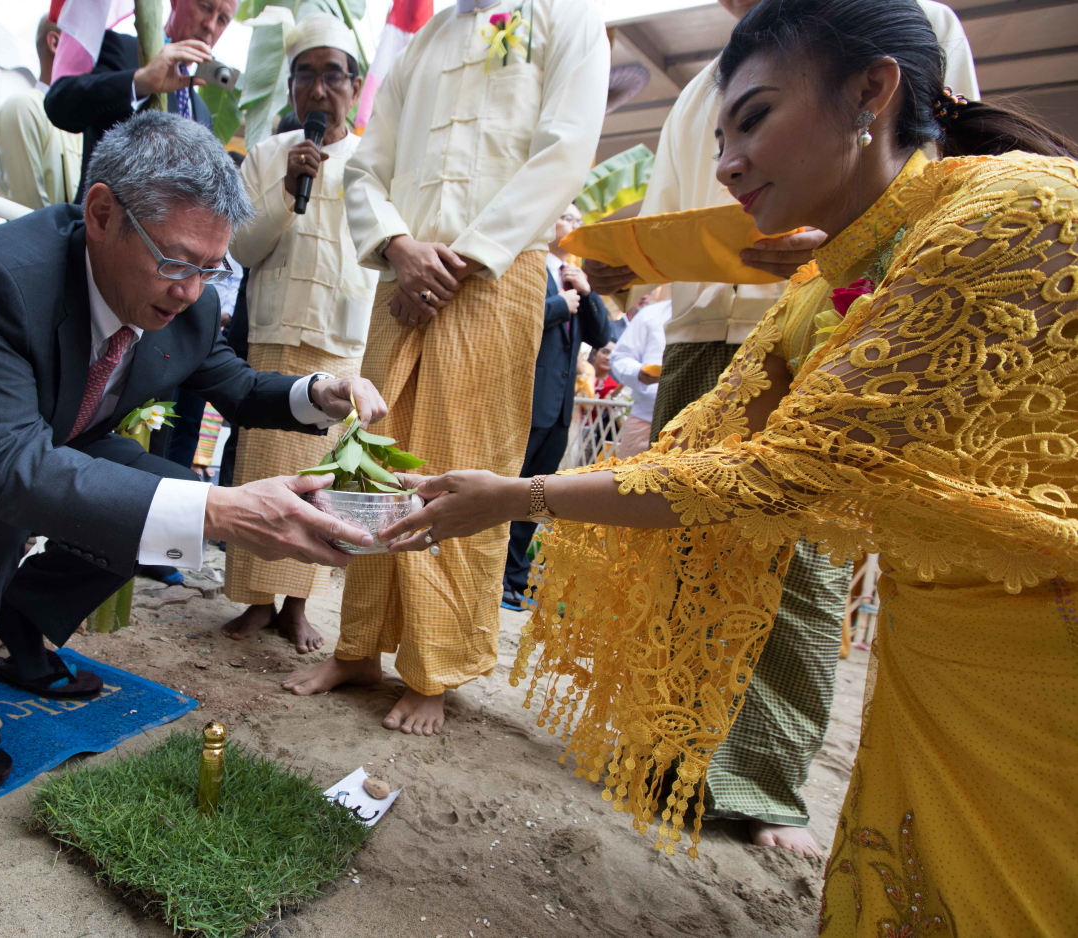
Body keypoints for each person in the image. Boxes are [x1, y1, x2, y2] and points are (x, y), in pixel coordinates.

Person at [375, 0, 1078, 930]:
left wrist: (518, 495)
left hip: (1044, 655)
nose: (725, 164)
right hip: (932, 653)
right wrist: (508, 495)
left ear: (872, 92)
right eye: (719, 134)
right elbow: (706, 449)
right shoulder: (824, 287)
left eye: (753, 119)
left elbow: (775, 477)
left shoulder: (1012, 212)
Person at [0, 112, 388, 792]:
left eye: (211, 269)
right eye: (176, 261)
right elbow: (5, 462)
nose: (189, 291)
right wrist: (217, 509)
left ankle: (22, 628)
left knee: (161, 498)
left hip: (33, 446)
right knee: (2, 490)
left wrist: (322, 391)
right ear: (100, 213)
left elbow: (234, 385)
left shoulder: (192, 303)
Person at [580, 0, 978, 857]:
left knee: (799, 559)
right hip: (701, 329)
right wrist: (622, 268)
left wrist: (829, 241)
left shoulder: (911, 23)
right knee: (686, 552)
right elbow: (663, 223)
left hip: (833, 317)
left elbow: (938, 179)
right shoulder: (706, 89)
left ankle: (762, 780)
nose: (730, 164)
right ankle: (669, 752)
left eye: (752, 128)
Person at [281, 0, 611, 736]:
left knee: (464, 467)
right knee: (372, 460)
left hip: (495, 277)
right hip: (402, 281)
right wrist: (399, 247)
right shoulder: (424, 40)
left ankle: (435, 670)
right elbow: (367, 167)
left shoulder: (566, 21)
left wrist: (462, 259)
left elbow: (563, 150)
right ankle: (358, 647)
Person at [221, 15, 376, 653]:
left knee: (322, 481)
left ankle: (298, 604)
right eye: (304, 75)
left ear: (355, 85)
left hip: (343, 346)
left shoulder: (375, 158)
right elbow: (244, 248)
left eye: (331, 74)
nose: (318, 88)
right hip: (273, 335)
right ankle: (257, 601)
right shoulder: (264, 155)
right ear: (290, 88)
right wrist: (287, 191)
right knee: (261, 468)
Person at [502, 204, 612, 610]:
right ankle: (494, 577)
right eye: (567, 214)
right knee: (507, 490)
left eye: (579, 219)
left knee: (536, 495)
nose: (574, 224)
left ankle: (514, 579)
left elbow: (603, 335)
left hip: (561, 409)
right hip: (526, 400)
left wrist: (587, 293)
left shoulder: (575, 278)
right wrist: (556, 307)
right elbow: (513, 320)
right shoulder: (528, 264)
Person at [44, 0, 234, 185]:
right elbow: (59, 104)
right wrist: (140, 82)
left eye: (222, 19)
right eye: (205, 7)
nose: (210, 25)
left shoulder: (202, 114)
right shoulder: (122, 50)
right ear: (176, 2)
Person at [0, 18, 83, 210]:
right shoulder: (23, 108)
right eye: (87, 43)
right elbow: (29, 212)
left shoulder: (86, 122)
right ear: (55, 43)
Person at [607, 296, 670, 459]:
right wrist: (639, 373)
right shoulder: (651, 314)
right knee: (627, 480)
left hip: (705, 423)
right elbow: (620, 357)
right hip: (646, 417)